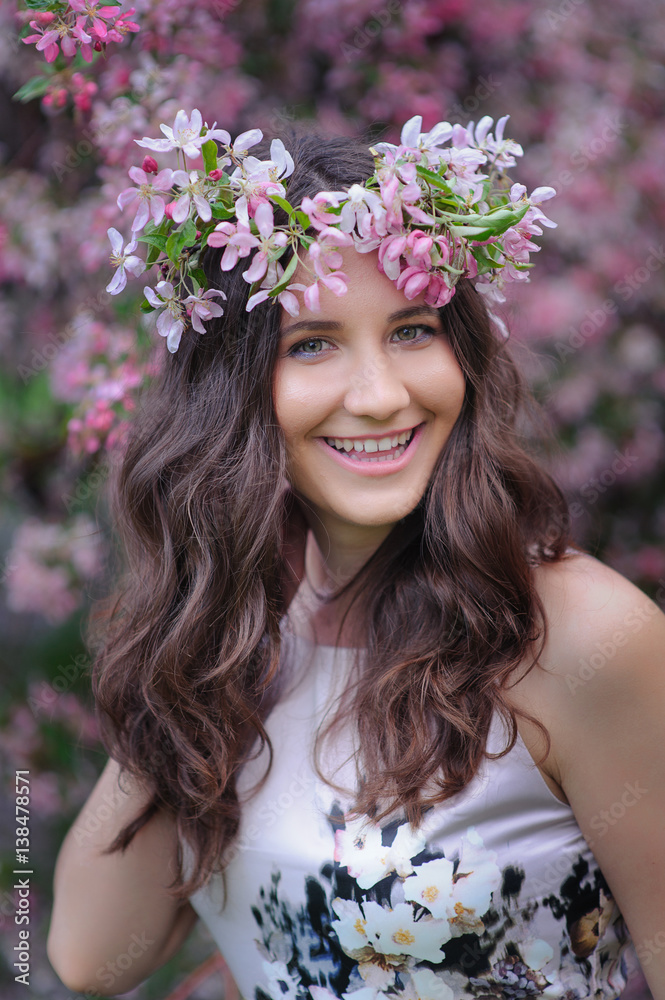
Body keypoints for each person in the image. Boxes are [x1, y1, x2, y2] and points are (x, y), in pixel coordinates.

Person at [46, 115, 665, 1000]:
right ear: (231, 395)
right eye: (312, 344)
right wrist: (198, 628)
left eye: (413, 330)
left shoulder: (580, 637)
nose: (379, 396)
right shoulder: (237, 644)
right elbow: (84, 952)